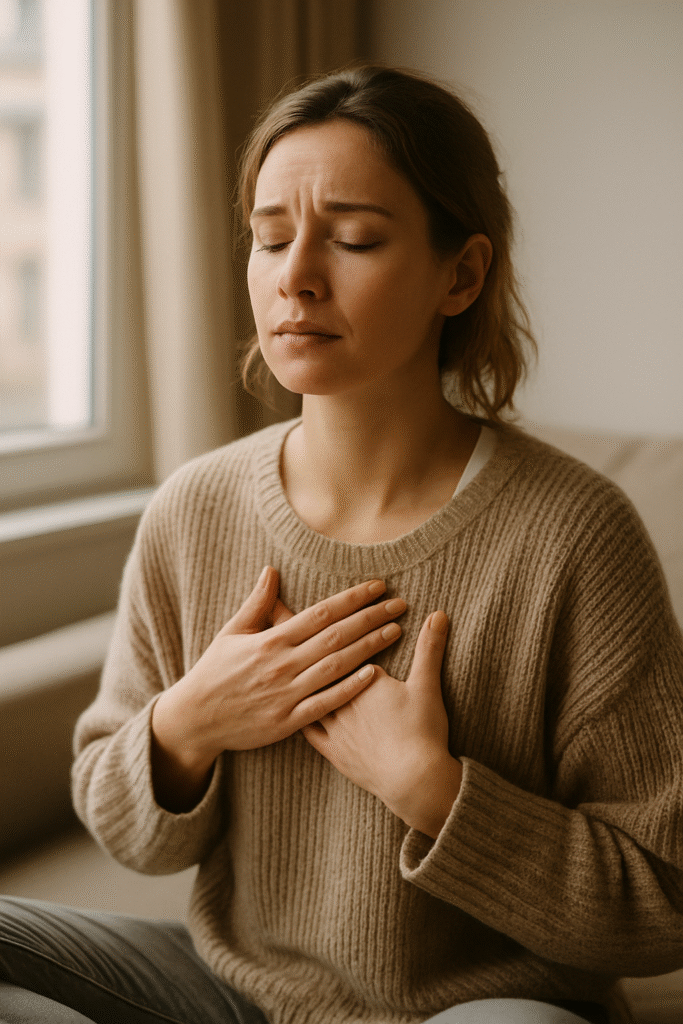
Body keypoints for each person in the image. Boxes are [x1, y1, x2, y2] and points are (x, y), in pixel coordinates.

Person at [2, 64, 683, 1024]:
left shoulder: (574, 535)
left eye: (354, 238)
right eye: (270, 238)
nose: (296, 277)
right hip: (232, 992)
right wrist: (186, 724)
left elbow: (663, 898)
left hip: (475, 1007)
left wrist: (434, 792)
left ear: (463, 273)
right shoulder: (194, 509)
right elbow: (132, 836)